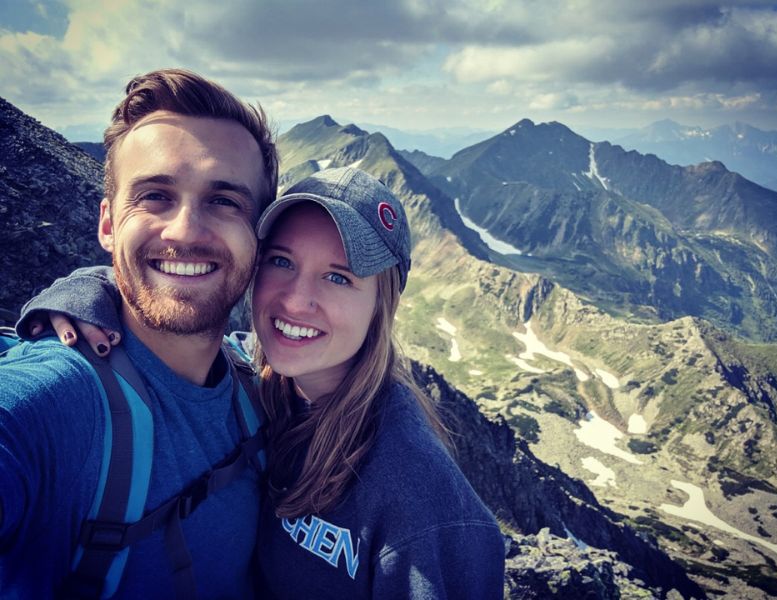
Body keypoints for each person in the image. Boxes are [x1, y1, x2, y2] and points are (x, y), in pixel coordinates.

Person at [19, 168, 507, 598]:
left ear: (383, 304)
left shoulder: (424, 505)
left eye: (338, 278)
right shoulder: (253, 383)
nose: (296, 301)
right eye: (281, 261)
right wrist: (94, 291)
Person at [0, 68, 279, 598]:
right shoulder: (54, 400)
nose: (184, 231)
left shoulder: (261, 388)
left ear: (259, 239)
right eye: (154, 195)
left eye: (225, 201)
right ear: (108, 224)